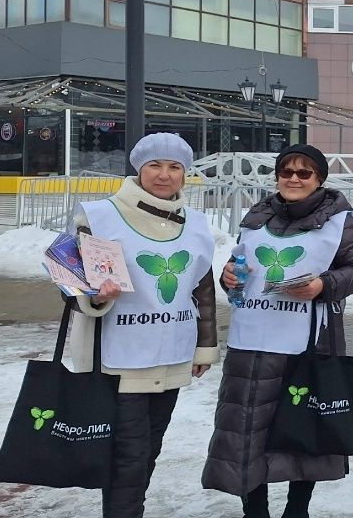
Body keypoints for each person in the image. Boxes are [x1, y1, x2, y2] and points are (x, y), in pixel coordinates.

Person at [202, 144, 353, 518]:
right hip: (252, 342)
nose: (294, 178)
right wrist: (229, 276)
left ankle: (297, 508)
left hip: (308, 342)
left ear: (319, 179)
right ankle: (255, 508)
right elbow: (239, 266)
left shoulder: (339, 220)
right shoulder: (257, 215)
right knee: (247, 429)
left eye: (304, 172)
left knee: (303, 426)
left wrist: (323, 285)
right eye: (286, 172)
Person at [67, 133, 218, 518]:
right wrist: (95, 296)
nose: (164, 175)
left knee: (147, 450)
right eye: (155, 165)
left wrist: (204, 346)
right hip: (119, 358)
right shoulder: (100, 217)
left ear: (184, 174)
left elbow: (202, 289)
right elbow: (71, 281)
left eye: (174, 167)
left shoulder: (196, 224)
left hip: (172, 353)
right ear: (138, 168)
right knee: (128, 455)